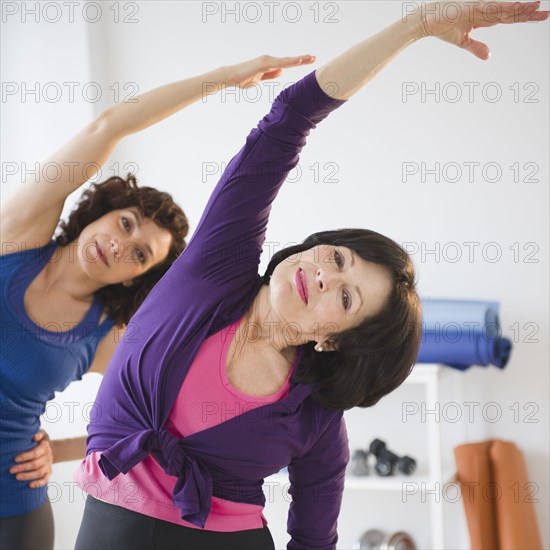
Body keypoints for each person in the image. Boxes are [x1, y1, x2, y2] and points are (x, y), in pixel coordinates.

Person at [73, 2, 549, 549]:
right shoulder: (217, 266)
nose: (325, 275)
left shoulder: (317, 417)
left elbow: (314, 539)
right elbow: (288, 122)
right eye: (339, 258)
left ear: (333, 340)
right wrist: (413, 26)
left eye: (346, 299)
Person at [0, 55, 315, 550]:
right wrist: (221, 78)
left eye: (140, 254)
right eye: (126, 223)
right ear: (102, 212)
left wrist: (55, 451)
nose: (121, 245)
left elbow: (152, 426)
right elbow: (110, 124)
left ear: (139, 276)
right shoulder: (16, 236)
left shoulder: (107, 336)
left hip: (10, 506)